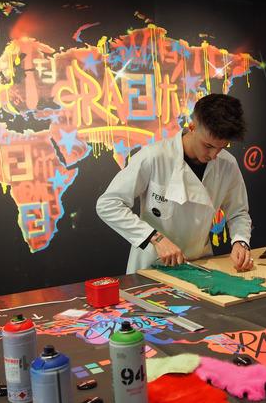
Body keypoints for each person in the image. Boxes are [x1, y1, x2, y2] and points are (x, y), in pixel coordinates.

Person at [96, 93, 253, 274]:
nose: (213, 155)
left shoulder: (227, 164)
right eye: (208, 146)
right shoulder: (154, 157)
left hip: (199, 263)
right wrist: (156, 238)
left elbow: (238, 212)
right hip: (152, 264)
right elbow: (108, 204)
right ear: (192, 127)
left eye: (221, 147)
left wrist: (240, 241)